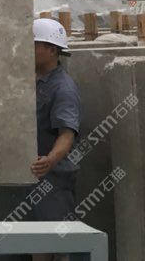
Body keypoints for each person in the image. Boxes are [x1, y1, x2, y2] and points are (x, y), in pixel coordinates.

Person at [30, 17, 81, 261]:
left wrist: (50, 160)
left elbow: (67, 134)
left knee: (57, 245)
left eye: (34, 44)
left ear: (52, 50)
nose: (28, 49)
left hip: (53, 180)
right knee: (36, 242)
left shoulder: (63, 88)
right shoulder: (29, 81)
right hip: (33, 176)